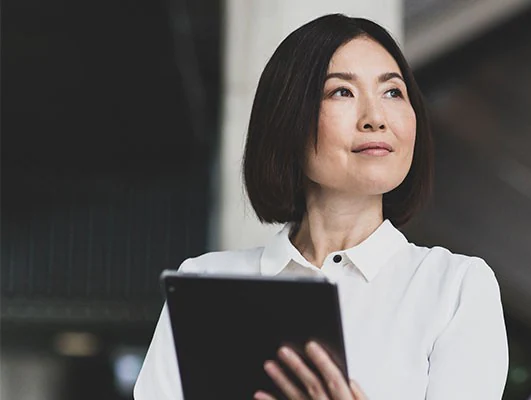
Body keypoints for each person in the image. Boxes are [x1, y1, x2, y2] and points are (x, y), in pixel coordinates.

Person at [134, 13, 508, 400]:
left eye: (393, 92)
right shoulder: (205, 284)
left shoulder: (455, 287)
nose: (375, 118)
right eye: (342, 92)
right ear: (288, 119)